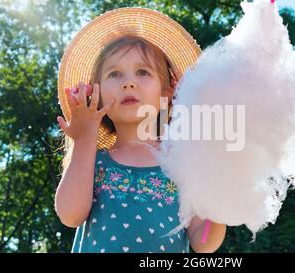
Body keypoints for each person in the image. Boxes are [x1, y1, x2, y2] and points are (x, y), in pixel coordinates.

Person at [54, 7, 226, 253]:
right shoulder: (92, 159)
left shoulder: (182, 164)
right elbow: (70, 214)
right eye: (115, 73)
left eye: (143, 72)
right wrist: (84, 140)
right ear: (98, 94)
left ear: (167, 92)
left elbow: (204, 242)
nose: (128, 82)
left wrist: (223, 195)